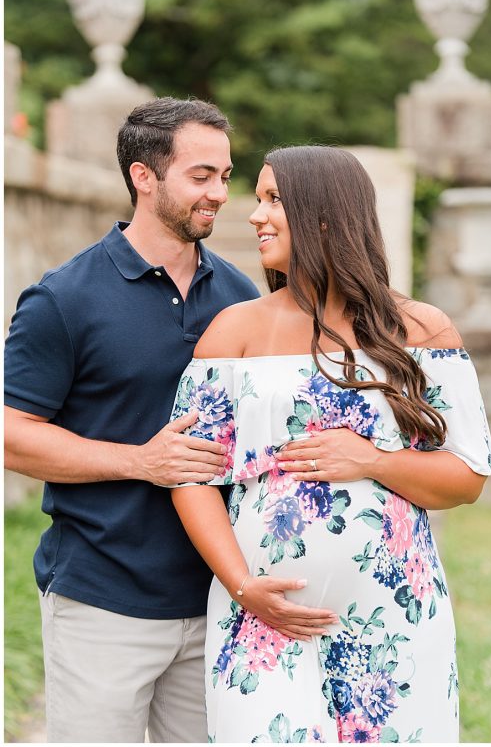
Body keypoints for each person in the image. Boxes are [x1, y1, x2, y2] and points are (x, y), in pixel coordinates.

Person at [3, 98, 335, 742]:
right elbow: (11, 434)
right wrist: (138, 461)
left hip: (224, 599)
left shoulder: (243, 297)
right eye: (200, 175)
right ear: (143, 177)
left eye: (225, 176)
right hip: (104, 599)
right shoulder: (64, 300)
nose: (219, 194)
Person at [165, 145, 491, 742]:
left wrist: (371, 459)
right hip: (261, 620)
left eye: (274, 200)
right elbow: (191, 476)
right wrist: (243, 586)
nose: (255, 215)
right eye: (258, 197)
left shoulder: (420, 330)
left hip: (393, 622)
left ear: (326, 215)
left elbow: (468, 477)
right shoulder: (234, 332)